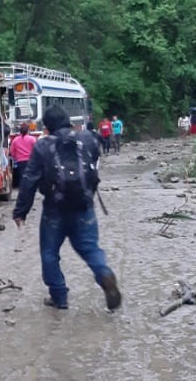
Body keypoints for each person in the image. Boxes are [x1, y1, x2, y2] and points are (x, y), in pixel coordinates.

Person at [13, 106, 121, 311]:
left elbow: (29, 180)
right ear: (69, 122)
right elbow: (94, 165)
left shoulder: (42, 145)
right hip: (84, 206)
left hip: (55, 208)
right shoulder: (87, 138)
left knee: (49, 252)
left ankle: (59, 297)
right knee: (90, 249)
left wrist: (20, 211)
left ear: (47, 128)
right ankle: (104, 273)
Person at [8, 123, 36, 188]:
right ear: (28, 130)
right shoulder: (32, 139)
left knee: (22, 175)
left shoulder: (15, 140)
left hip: (20, 161)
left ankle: (23, 188)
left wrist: (16, 157)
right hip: (31, 160)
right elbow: (36, 150)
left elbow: (12, 151)